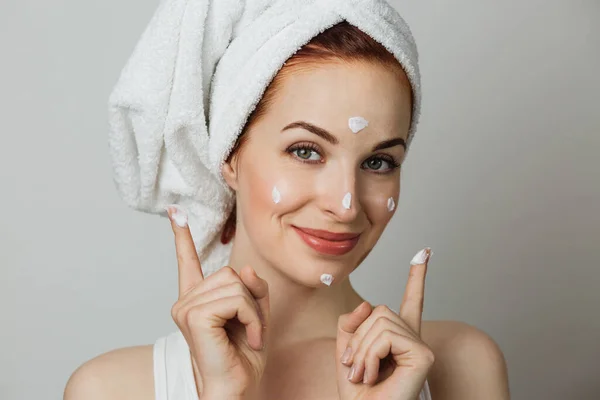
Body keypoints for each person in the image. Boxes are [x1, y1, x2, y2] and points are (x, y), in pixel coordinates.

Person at [64, 5, 510, 400]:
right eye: (306, 151)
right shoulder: (112, 390)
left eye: (378, 161)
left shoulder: (461, 365)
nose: (346, 204)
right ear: (230, 156)